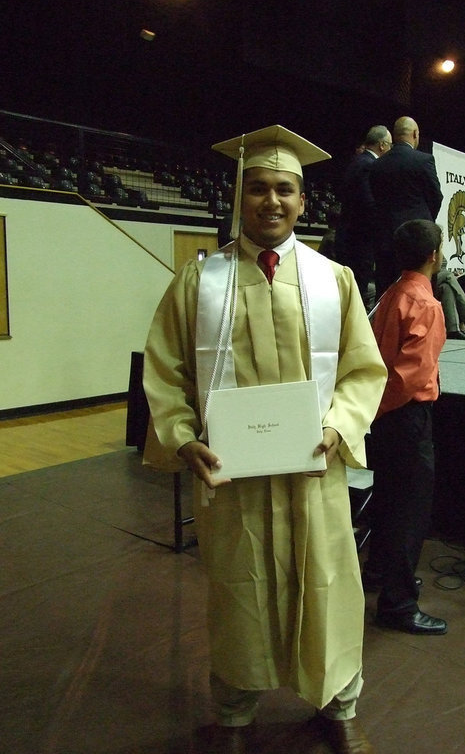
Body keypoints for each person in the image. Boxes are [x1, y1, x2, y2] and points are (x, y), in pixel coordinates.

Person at [143, 125, 387, 754]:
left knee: (330, 587)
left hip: (314, 470)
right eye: (257, 188)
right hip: (235, 476)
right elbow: (166, 372)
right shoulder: (199, 282)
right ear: (240, 196)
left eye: (284, 189)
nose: (271, 201)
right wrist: (182, 439)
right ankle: (233, 716)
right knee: (239, 596)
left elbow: (363, 371)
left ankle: (340, 707)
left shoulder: (334, 280)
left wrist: (338, 426)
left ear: (303, 201)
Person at [363, 219, 448, 635]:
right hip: (406, 416)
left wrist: (372, 411)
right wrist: (384, 409)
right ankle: (398, 604)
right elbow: (409, 378)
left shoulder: (391, 293)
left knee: (386, 499)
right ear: (433, 255)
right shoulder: (426, 304)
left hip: (383, 416)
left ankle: (379, 573)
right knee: (409, 512)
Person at [369, 116, 443, 298]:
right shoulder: (424, 160)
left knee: (386, 293)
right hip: (419, 241)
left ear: (394, 136)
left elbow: (375, 199)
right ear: (415, 134)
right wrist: (425, 222)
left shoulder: (377, 165)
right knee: (420, 292)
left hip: (387, 239)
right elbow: (436, 196)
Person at [336, 125, 393, 310]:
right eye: (390, 145)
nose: (391, 149)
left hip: (349, 237)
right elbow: (368, 204)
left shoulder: (357, 161)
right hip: (359, 241)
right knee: (357, 292)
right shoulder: (369, 165)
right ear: (382, 145)